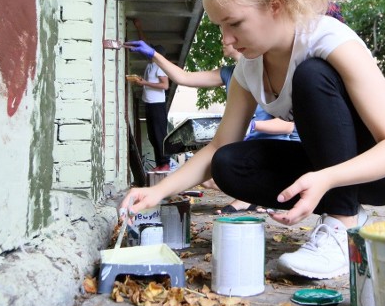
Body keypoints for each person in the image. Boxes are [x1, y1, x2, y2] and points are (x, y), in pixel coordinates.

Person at [120, 0, 385, 280]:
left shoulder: (328, 39)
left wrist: (327, 178)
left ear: (274, 4)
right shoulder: (249, 69)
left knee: (312, 76)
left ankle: (342, 224)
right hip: (325, 171)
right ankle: (345, 214)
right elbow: (217, 149)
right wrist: (157, 192)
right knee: (229, 163)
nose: (226, 41)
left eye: (234, 24)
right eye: (220, 27)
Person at [124, 40, 297, 213]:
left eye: (232, 27)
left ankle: (252, 198)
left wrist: (253, 125)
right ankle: (254, 196)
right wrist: (154, 55)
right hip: (244, 148)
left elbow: (288, 127)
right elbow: (184, 77)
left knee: (223, 163)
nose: (223, 39)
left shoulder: (269, 72)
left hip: (271, 152)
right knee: (208, 173)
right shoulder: (231, 73)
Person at [127, 44, 171, 172]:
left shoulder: (160, 66)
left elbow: (165, 85)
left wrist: (144, 83)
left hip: (157, 105)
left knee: (159, 135)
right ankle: (160, 163)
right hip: (149, 103)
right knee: (152, 136)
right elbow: (145, 43)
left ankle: (165, 163)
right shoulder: (150, 65)